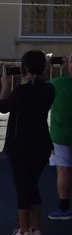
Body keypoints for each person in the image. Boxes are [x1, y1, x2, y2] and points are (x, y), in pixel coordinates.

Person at [0, 50, 54, 235]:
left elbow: (3, 107)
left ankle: (23, 231)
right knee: (32, 185)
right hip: (41, 144)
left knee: (23, 185)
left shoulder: (21, 91)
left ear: (25, 68)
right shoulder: (49, 90)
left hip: (20, 144)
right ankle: (35, 229)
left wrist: (5, 86)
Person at [48, 56, 72, 221]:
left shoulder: (58, 83)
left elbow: (38, 88)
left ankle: (64, 207)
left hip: (62, 135)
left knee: (63, 169)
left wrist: (48, 65)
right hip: (61, 135)